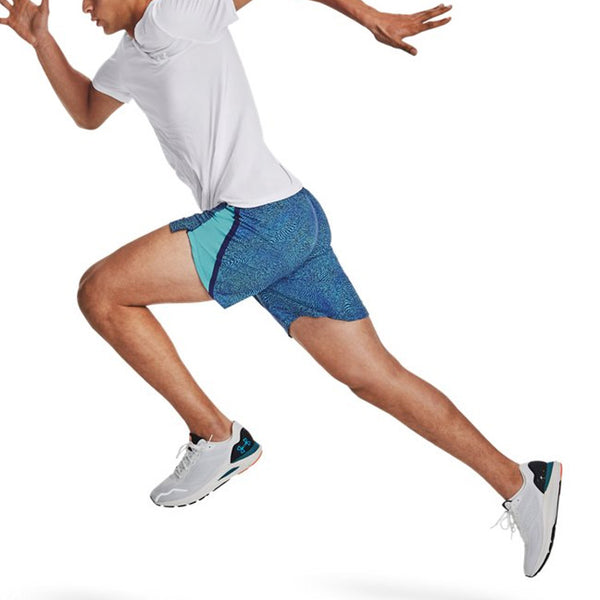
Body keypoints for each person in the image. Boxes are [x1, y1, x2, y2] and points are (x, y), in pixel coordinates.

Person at [0, 0, 562, 578]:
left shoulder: (180, 10)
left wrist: (371, 17)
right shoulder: (130, 55)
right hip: (291, 217)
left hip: (257, 222)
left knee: (101, 292)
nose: (85, 8)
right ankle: (523, 483)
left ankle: (216, 438)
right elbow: (88, 111)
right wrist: (42, 41)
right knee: (376, 377)